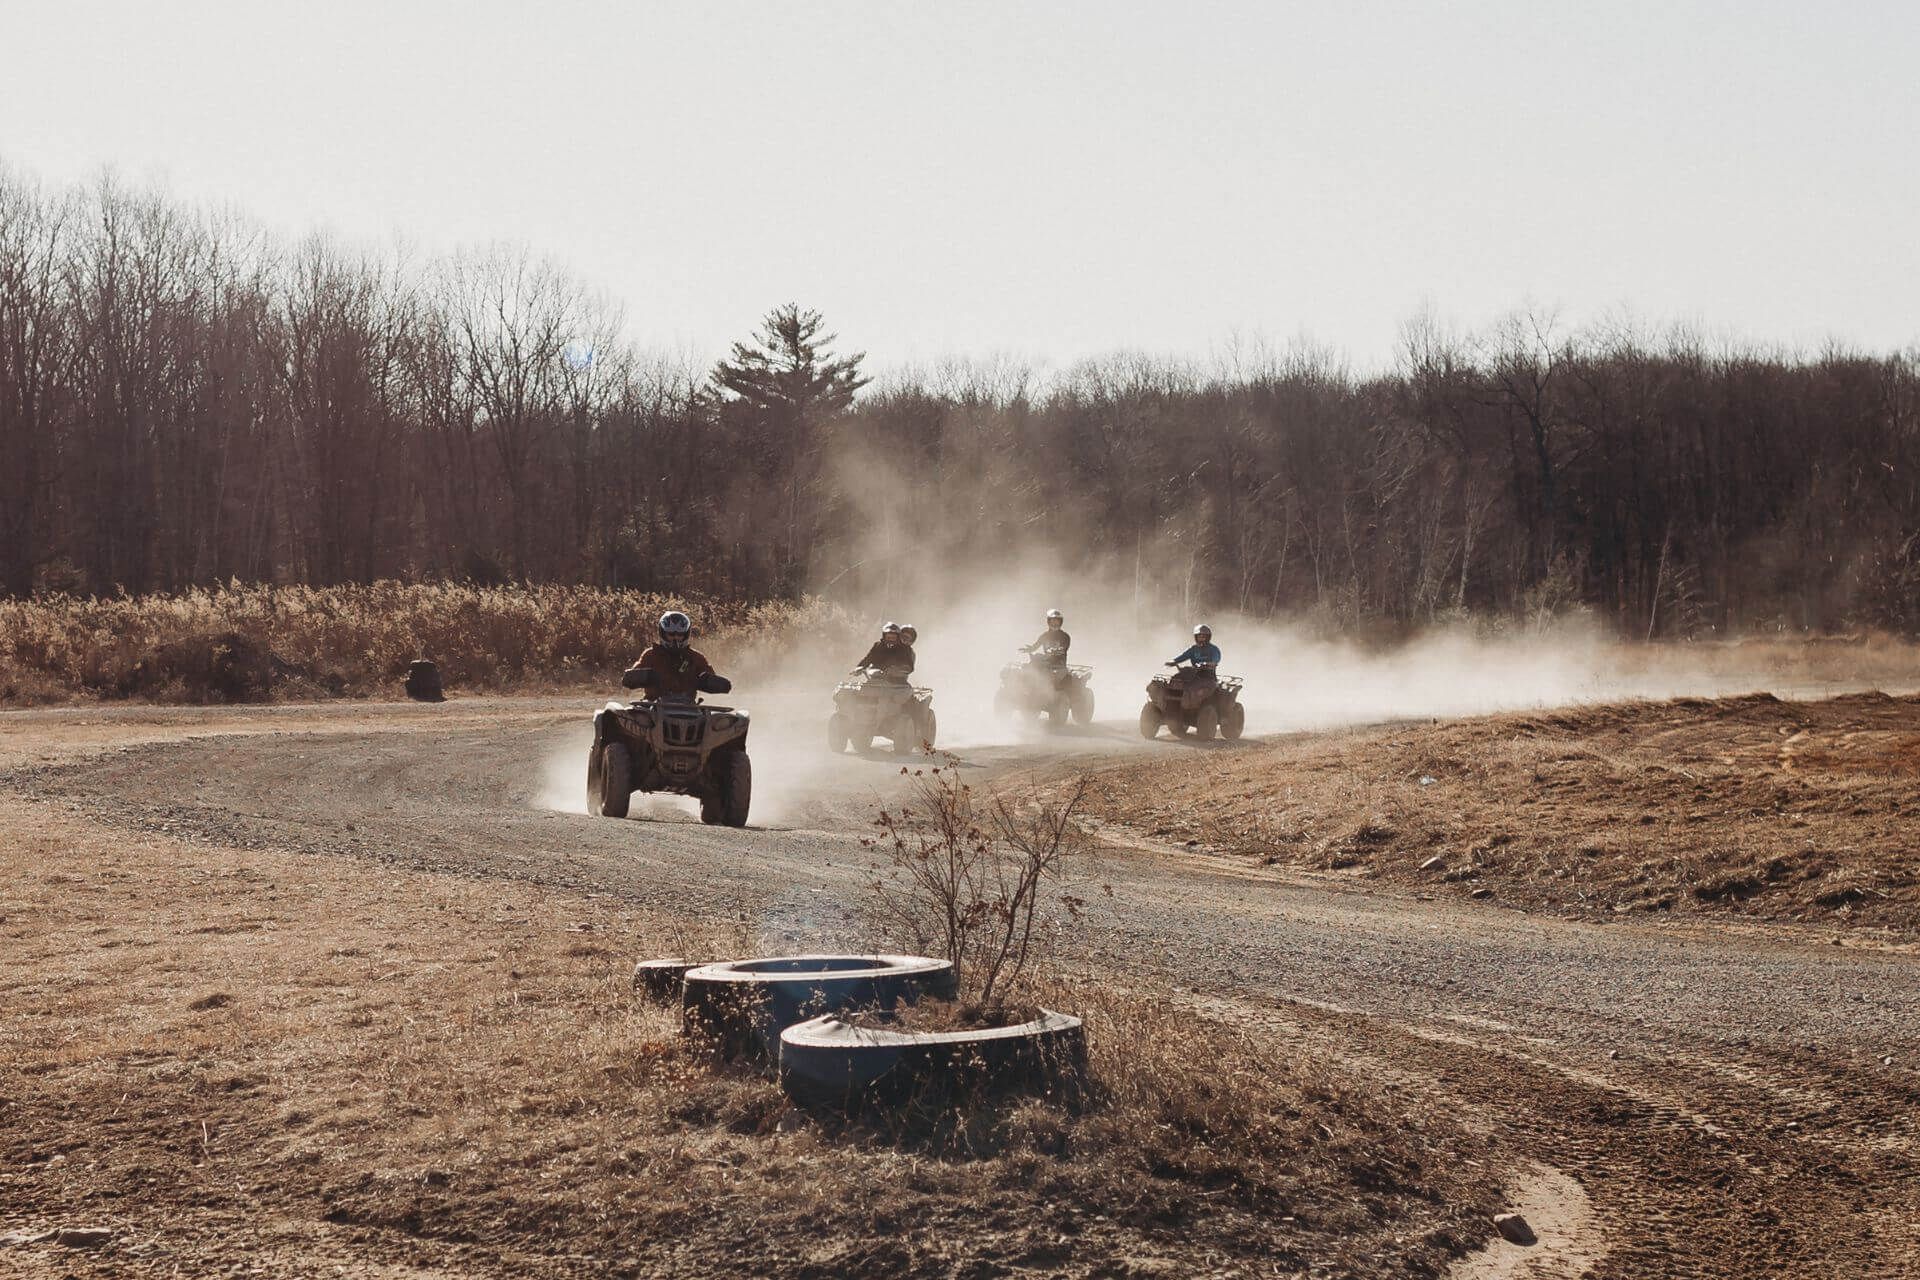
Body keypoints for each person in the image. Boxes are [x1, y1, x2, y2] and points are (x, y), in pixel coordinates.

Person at [623, 610, 732, 698]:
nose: (675, 638)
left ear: (686, 635)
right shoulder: (651, 655)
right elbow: (630, 677)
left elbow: (710, 676)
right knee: (631, 717)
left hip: (689, 710)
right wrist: (646, 677)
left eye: (679, 635)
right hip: (653, 708)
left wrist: (714, 683)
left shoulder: (695, 657)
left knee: (726, 722)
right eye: (671, 634)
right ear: (663, 633)